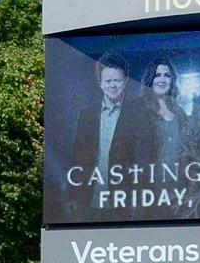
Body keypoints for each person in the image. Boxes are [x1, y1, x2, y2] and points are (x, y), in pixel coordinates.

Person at [60, 54, 148, 189]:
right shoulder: (86, 116)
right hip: (90, 195)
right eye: (108, 81)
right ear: (100, 83)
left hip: (124, 196)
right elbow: (78, 159)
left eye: (117, 80)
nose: (113, 85)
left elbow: (142, 161)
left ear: (125, 81)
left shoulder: (139, 116)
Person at [141, 59, 191, 178]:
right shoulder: (140, 111)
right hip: (150, 181)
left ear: (172, 80)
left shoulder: (180, 114)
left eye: (167, 76)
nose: (162, 80)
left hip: (178, 180)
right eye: (157, 75)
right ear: (150, 80)